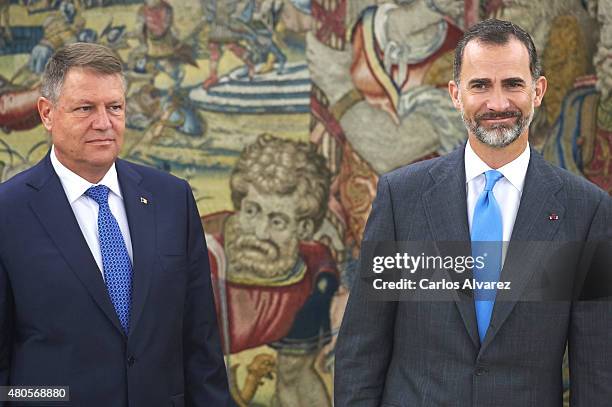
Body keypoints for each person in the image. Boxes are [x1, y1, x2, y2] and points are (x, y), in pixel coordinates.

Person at [334, 19, 612, 407]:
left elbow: (598, 373)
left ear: (538, 91)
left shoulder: (586, 212)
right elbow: (360, 352)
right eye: (480, 85)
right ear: (455, 94)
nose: (497, 103)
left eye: (513, 84)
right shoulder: (402, 199)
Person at [0, 43, 230, 406]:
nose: (104, 123)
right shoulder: (8, 212)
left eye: (115, 107)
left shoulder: (172, 199)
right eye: (85, 108)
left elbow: (200, 344)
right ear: (47, 113)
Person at [205, 134, 338, 406]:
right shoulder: (200, 262)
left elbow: (295, 378)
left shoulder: (313, 278)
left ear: (304, 230)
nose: (259, 233)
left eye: (277, 221)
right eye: (251, 211)